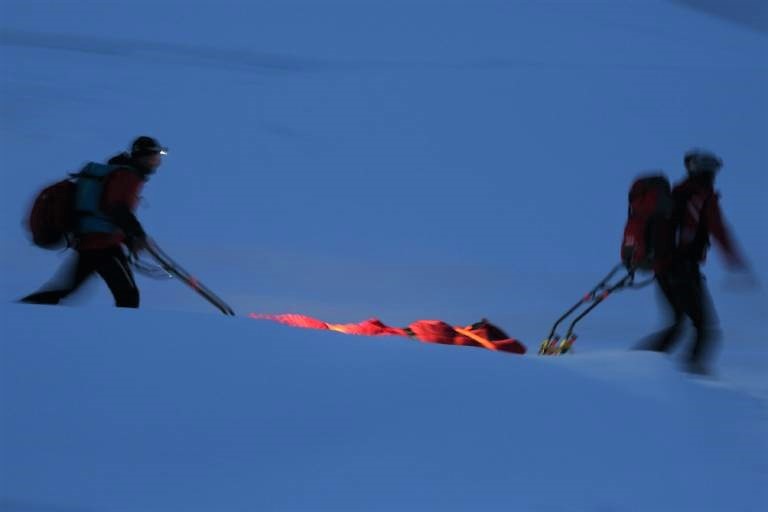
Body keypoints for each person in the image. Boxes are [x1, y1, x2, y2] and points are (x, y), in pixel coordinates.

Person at [636, 149, 751, 374]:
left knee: (678, 324)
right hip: (683, 269)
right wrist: (735, 261)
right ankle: (692, 377)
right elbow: (719, 230)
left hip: (662, 268)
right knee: (704, 327)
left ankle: (638, 366)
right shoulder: (702, 197)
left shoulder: (676, 193)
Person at [20, 136, 167, 308]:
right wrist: (137, 234)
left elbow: (110, 211)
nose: (157, 162)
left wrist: (129, 238)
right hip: (102, 244)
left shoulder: (119, 172)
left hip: (91, 241)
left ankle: (19, 310)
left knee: (65, 289)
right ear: (144, 156)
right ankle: (126, 332)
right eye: (156, 157)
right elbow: (115, 207)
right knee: (128, 295)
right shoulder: (127, 175)